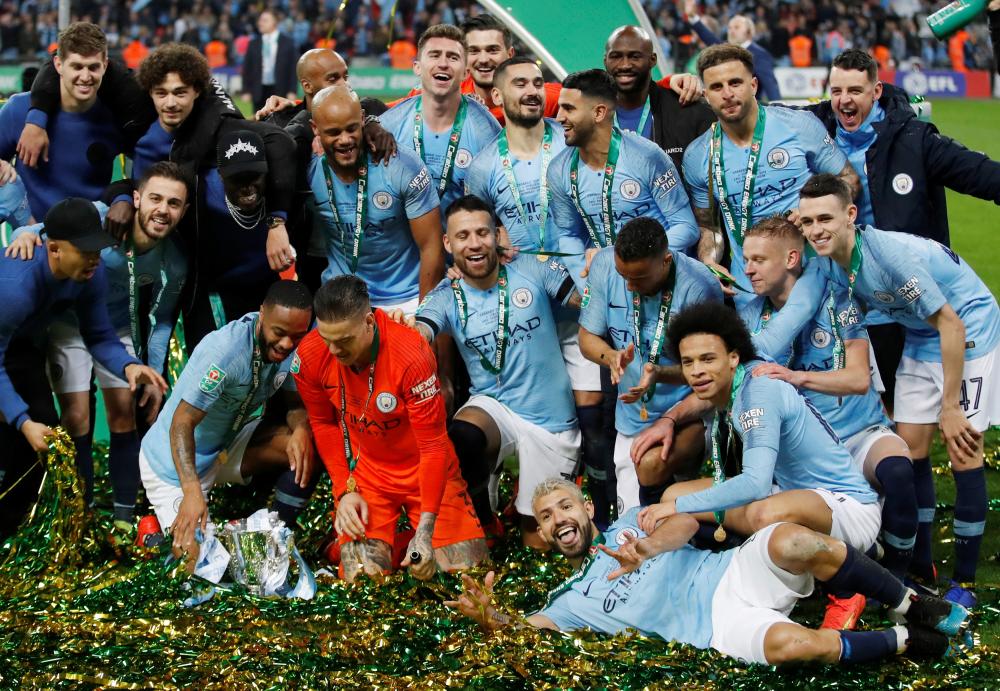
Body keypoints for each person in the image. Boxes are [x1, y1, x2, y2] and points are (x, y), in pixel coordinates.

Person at [447, 478, 968, 666]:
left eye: (564, 507)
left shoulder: (632, 520)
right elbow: (524, 633)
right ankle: (906, 639)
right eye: (546, 517)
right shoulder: (565, 603)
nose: (559, 519)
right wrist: (488, 617)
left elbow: (682, 525)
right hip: (715, 630)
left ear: (585, 506)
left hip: (730, 574)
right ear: (541, 533)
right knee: (797, 647)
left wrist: (646, 547)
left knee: (794, 538)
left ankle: (912, 603)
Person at [798, 173, 1000, 608]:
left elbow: (952, 323)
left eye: (825, 218)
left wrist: (949, 405)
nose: (816, 229)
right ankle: (921, 566)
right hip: (922, 330)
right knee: (912, 449)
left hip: (967, 329)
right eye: (809, 220)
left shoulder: (890, 256)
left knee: (962, 443)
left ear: (851, 215)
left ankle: (964, 581)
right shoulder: (833, 260)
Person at [738, 215, 918, 628]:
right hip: (806, 453)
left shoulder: (838, 301)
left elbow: (857, 378)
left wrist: (797, 377)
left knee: (898, 471)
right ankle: (861, 568)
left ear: (791, 259)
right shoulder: (748, 317)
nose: (748, 268)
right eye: (746, 259)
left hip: (860, 432)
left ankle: (896, 583)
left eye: (759, 260)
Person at [803, 48, 1000, 416]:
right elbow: (752, 112)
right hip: (845, 294)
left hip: (908, 294)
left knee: (903, 404)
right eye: (836, 91)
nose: (844, 101)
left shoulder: (913, 139)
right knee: (859, 404)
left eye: (855, 91)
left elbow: (980, 174)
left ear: (876, 91)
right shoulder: (813, 131)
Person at [463, 56, 608, 527]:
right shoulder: (484, 166)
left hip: (578, 303)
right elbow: (476, 234)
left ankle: (599, 512)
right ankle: (508, 511)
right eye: (519, 84)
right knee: (529, 417)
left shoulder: (572, 143)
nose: (530, 90)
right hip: (525, 313)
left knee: (593, 420)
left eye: (537, 82)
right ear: (497, 96)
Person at [5, 162, 190, 526]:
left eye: (174, 203)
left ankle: (102, 519)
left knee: (98, 418)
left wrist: (137, 365)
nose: (162, 209)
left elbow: (130, 326)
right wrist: (22, 235)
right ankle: (61, 518)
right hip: (38, 334)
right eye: (154, 198)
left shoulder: (155, 263)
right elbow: (47, 234)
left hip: (68, 338)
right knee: (51, 424)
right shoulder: (19, 282)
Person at [638, 301, 881, 557]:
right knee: (671, 495)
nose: (697, 371)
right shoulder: (736, 379)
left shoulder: (757, 391)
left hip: (848, 507)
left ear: (733, 357)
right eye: (688, 362)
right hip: (791, 491)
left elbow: (756, 484)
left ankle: (854, 561)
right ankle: (739, 556)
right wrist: (676, 503)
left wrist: (679, 507)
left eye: (707, 359)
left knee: (761, 514)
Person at [411, 195, 583, 548]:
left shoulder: (531, 267)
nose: (474, 244)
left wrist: (599, 262)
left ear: (497, 235)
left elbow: (584, 301)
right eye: (462, 236)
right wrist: (403, 331)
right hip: (495, 407)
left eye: (482, 233)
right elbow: (421, 332)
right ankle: (483, 513)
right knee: (463, 438)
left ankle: (524, 509)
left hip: (550, 422)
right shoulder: (446, 294)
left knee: (539, 544)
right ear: (447, 243)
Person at [293, 275, 488, 580]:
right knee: (362, 585)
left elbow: (433, 446)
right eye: (326, 338)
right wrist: (345, 490)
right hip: (368, 476)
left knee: (465, 577)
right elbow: (323, 422)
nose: (333, 351)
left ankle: (407, 543)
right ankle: (363, 547)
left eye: (344, 341)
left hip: (424, 470)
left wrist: (424, 532)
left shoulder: (410, 353)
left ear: (369, 322)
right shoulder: (310, 354)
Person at [139, 280, 319, 569]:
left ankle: (278, 532)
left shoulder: (292, 347)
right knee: (196, 566)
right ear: (262, 313)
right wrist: (192, 490)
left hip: (225, 447)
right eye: (280, 333)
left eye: (297, 336)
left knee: (308, 443)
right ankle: (154, 538)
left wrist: (300, 428)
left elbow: (295, 404)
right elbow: (181, 423)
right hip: (174, 465)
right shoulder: (225, 352)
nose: (287, 344)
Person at [682, 44, 857, 302]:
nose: (727, 94)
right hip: (749, 286)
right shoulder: (697, 156)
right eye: (717, 87)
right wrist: (709, 260)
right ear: (706, 95)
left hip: (814, 273)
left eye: (735, 83)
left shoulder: (798, 126)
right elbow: (709, 226)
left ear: (753, 85)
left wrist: (814, 214)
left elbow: (849, 180)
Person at [578, 217, 722, 513]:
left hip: (689, 411)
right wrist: (610, 357)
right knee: (630, 522)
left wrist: (660, 375)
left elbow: (714, 376)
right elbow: (587, 338)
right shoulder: (605, 265)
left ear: (666, 261)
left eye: (640, 278)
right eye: (624, 276)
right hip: (631, 417)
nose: (629, 285)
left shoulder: (699, 288)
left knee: (651, 467)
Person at [399, 14, 704, 125]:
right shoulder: (443, 99)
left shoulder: (541, 95)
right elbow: (389, 111)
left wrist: (667, 82)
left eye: (492, 50)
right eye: (474, 51)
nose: (484, 59)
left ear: (509, 54)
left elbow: (612, 89)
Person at [547, 69, 700, 285]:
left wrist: (628, 261)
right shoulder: (558, 170)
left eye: (569, 108)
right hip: (611, 286)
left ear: (599, 113)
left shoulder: (646, 155)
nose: (559, 117)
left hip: (662, 281)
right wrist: (586, 288)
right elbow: (569, 235)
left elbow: (686, 227)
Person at [308, 84, 444, 314]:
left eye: (351, 129)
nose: (344, 140)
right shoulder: (309, 172)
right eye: (333, 132)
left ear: (363, 119)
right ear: (315, 129)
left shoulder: (400, 166)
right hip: (342, 299)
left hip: (407, 299)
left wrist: (425, 316)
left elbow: (432, 246)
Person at [0, 22, 125, 218]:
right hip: (30, 241)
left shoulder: (116, 118)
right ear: (58, 64)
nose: (85, 76)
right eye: (77, 66)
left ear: (105, 66)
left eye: (93, 67)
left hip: (92, 240)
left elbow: (147, 169)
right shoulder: (18, 110)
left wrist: (123, 198)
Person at [379, 24, 502, 212]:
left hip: (464, 239)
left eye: (453, 57)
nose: (443, 63)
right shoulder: (389, 125)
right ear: (417, 67)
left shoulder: (487, 131)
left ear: (465, 73)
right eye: (434, 55)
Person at [603, 25, 716, 171]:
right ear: (605, 61)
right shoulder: (591, 115)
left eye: (635, 56)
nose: (625, 65)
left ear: (653, 60)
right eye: (616, 56)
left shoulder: (692, 111)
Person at [682, 2, 781, 102]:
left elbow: (770, 84)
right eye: (729, 27)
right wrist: (693, 17)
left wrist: (778, 106)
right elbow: (708, 37)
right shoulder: (726, 49)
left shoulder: (760, 55)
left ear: (749, 32)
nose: (732, 31)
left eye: (737, 27)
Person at [241, 10, 298, 112]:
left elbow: (293, 68)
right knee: (259, 123)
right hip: (259, 90)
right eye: (260, 20)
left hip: (280, 90)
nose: (260, 23)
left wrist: (292, 90)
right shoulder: (253, 43)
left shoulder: (288, 43)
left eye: (265, 20)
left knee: (279, 124)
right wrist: (246, 90)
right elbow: (247, 69)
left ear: (274, 22)